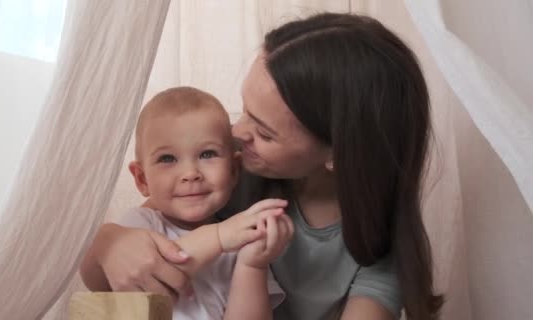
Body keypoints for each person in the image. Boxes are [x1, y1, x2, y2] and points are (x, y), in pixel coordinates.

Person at [80, 12, 444, 320]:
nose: (236, 133)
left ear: (338, 153)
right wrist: (108, 242)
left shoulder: (376, 247)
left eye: (265, 132)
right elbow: (152, 232)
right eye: (244, 110)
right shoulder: (225, 171)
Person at [82, 86, 292, 319]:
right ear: (142, 179)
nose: (190, 173)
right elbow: (150, 272)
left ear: (234, 170)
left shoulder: (240, 241)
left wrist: (252, 265)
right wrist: (220, 236)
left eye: (207, 154)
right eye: (167, 159)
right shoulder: (140, 225)